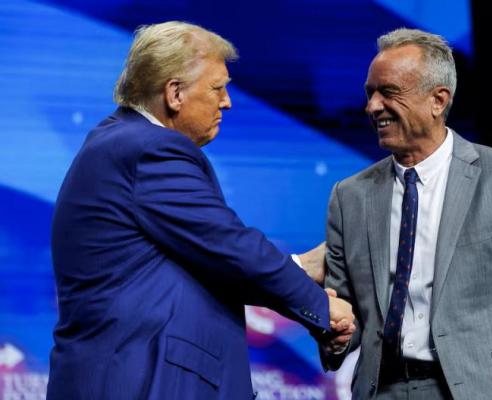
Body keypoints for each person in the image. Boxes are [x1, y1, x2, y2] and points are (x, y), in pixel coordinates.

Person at [47, 21, 354, 400]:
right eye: (217, 88)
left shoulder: (120, 143)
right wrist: (320, 306)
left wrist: (301, 268)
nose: (226, 101)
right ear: (175, 93)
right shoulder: (150, 150)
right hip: (141, 382)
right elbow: (228, 246)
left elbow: (203, 261)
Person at [320, 28, 492, 400]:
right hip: (382, 390)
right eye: (370, 94)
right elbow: (341, 308)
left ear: (438, 100)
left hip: (485, 388)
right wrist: (334, 337)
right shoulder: (350, 196)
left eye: (388, 92)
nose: (373, 106)